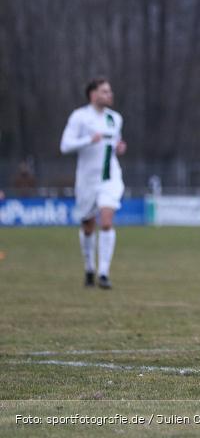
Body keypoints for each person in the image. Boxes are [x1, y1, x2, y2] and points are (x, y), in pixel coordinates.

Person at [60, 78, 126, 289]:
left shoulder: (115, 119)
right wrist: (89, 140)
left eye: (110, 91)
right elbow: (65, 146)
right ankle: (89, 268)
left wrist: (119, 148)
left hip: (110, 178)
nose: (110, 94)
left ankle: (104, 273)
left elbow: (115, 143)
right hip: (87, 181)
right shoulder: (80, 117)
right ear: (93, 94)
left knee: (106, 221)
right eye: (105, 91)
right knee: (88, 226)